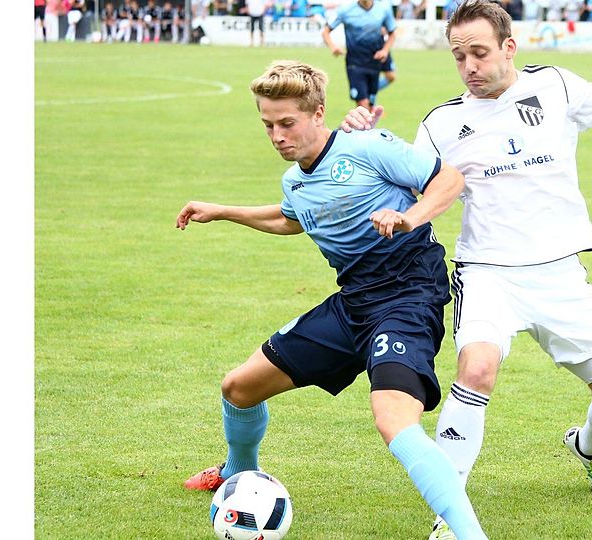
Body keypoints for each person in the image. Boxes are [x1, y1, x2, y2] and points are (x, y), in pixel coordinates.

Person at [341, 1, 592, 538]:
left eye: (479, 52)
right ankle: (451, 518)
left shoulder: (557, 88)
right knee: (475, 370)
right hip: (488, 273)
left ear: (508, 47)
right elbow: (402, 185)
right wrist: (357, 137)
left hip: (560, 277)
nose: (470, 65)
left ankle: (587, 447)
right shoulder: (442, 124)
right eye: (459, 57)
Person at [178, 60, 488, 540]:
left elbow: (448, 180)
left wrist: (412, 217)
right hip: (355, 303)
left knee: (393, 421)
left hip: (408, 295)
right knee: (238, 388)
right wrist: (222, 211)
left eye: (287, 123)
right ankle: (237, 473)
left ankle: (470, 535)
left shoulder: (369, 148)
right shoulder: (296, 181)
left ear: (318, 113)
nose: (278, 135)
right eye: (268, 125)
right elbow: (292, 218)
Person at [321, 0, 396, 113]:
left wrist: (385, 51)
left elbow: (392, 33)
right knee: (363, 107)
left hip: (374, 62)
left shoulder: (383, 9)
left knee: (370, 110)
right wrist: (333, 47)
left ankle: (353, 129)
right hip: (355, 63)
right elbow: (325, 31)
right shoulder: (345, 10)